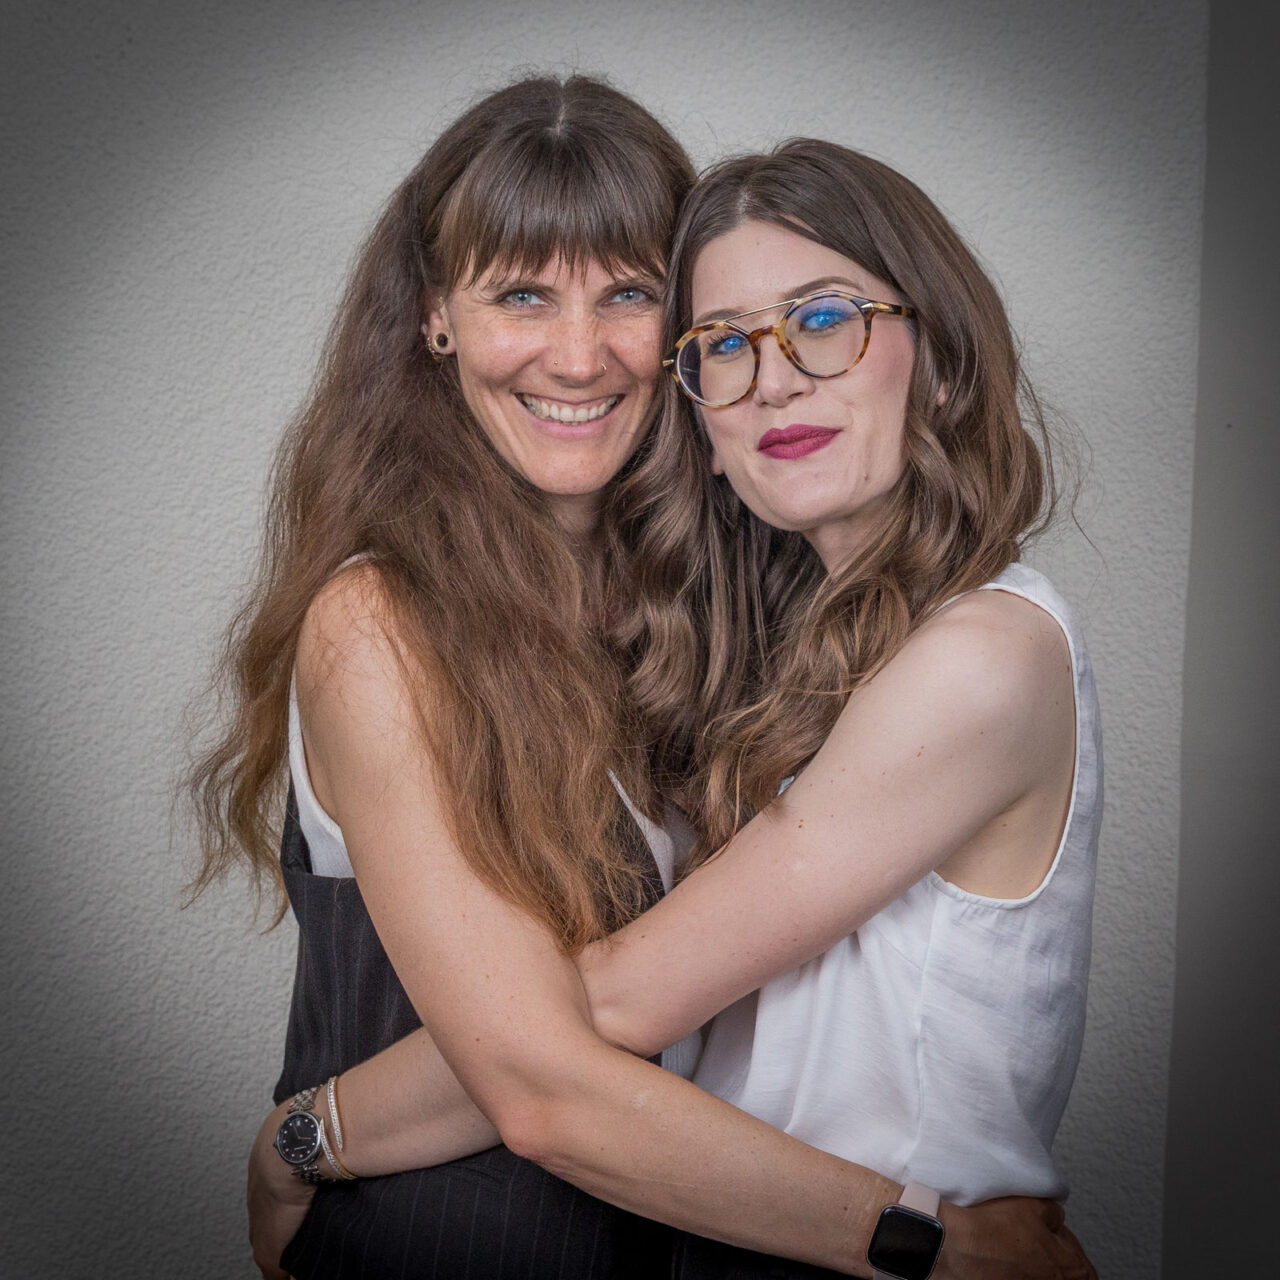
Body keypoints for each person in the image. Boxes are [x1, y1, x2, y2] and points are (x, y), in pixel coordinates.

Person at [202, 75, 1094, 1280]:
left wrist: (301, 1138)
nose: (578, 356)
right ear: (434, 318)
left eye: (627, 293)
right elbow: (541, 1074)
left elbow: (626, 1014)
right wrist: (303, 1141)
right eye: (521, 293)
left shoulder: (718, 632)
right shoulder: (379, 623)